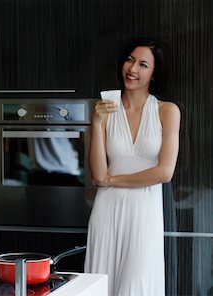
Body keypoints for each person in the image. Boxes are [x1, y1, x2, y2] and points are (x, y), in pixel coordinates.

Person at [84, 37, 181, 296]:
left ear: (154, 72)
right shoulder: (104, 110)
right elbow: (97, 174)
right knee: (100, 287)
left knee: (137, 287)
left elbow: (164, 172)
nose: (133, 69)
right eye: (129, 60)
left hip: (144, 214)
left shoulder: (167, 111)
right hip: (107, 212)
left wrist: (112, 181)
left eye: (143, 64)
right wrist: (95, 123)